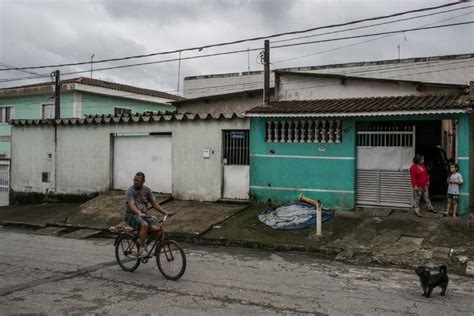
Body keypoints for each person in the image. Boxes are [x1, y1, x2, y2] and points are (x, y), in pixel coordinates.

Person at [124, 172, 168, 257]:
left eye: (138, 180)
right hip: (131, 215)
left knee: (157, 230)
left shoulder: (147, 190)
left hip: (144, 215)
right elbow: (131, 205)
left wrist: (164, 212)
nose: (135, 182)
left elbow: (154, 204)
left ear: (143, 181)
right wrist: (139, 213)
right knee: (144, 225)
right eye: (134, 180)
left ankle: (145, 246)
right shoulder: (130, 191)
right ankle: (141, 249)